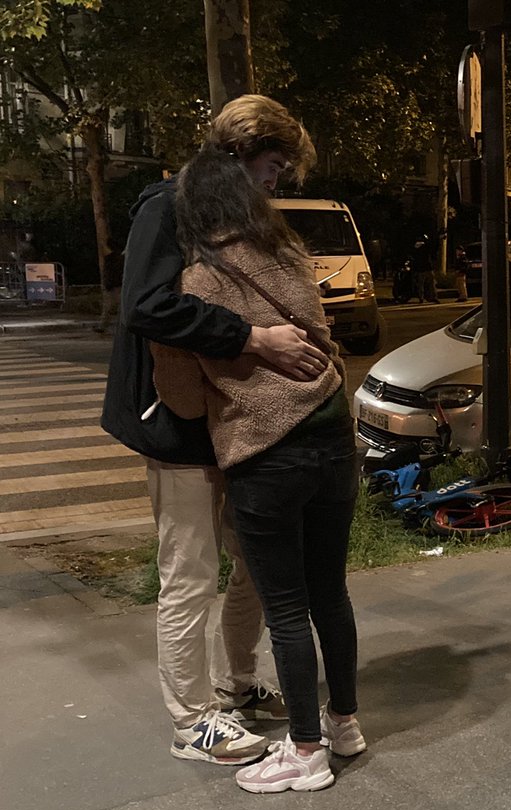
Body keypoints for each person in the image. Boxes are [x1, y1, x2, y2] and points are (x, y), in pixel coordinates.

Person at [100, 95, 326, 766]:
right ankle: (192, 719)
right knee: (190, 570)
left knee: (255, 563)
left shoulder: (232, 218)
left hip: (234, 422)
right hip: (177, 424)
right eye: (273, 167)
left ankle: (238, 684)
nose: (275, 183)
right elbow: (146, 306)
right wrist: (255, 339)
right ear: (239, 156)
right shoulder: (166, 206)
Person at [167, 144, 366, 793]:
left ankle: (305, 753)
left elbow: (186, 394)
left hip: (267, 454)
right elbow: (325, 338)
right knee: (329, 593)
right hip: (335, 436)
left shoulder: (200, 280)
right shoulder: (291, 256)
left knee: (284, 610)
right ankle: (343, 724)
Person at [412, 235, 437, 304]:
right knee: (432, 283)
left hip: (420, 269)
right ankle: (433, 297)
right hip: (428, 268)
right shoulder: (425, 247)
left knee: (421, 284)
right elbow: (432, 248)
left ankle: (421, 298)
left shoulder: (415, 248)